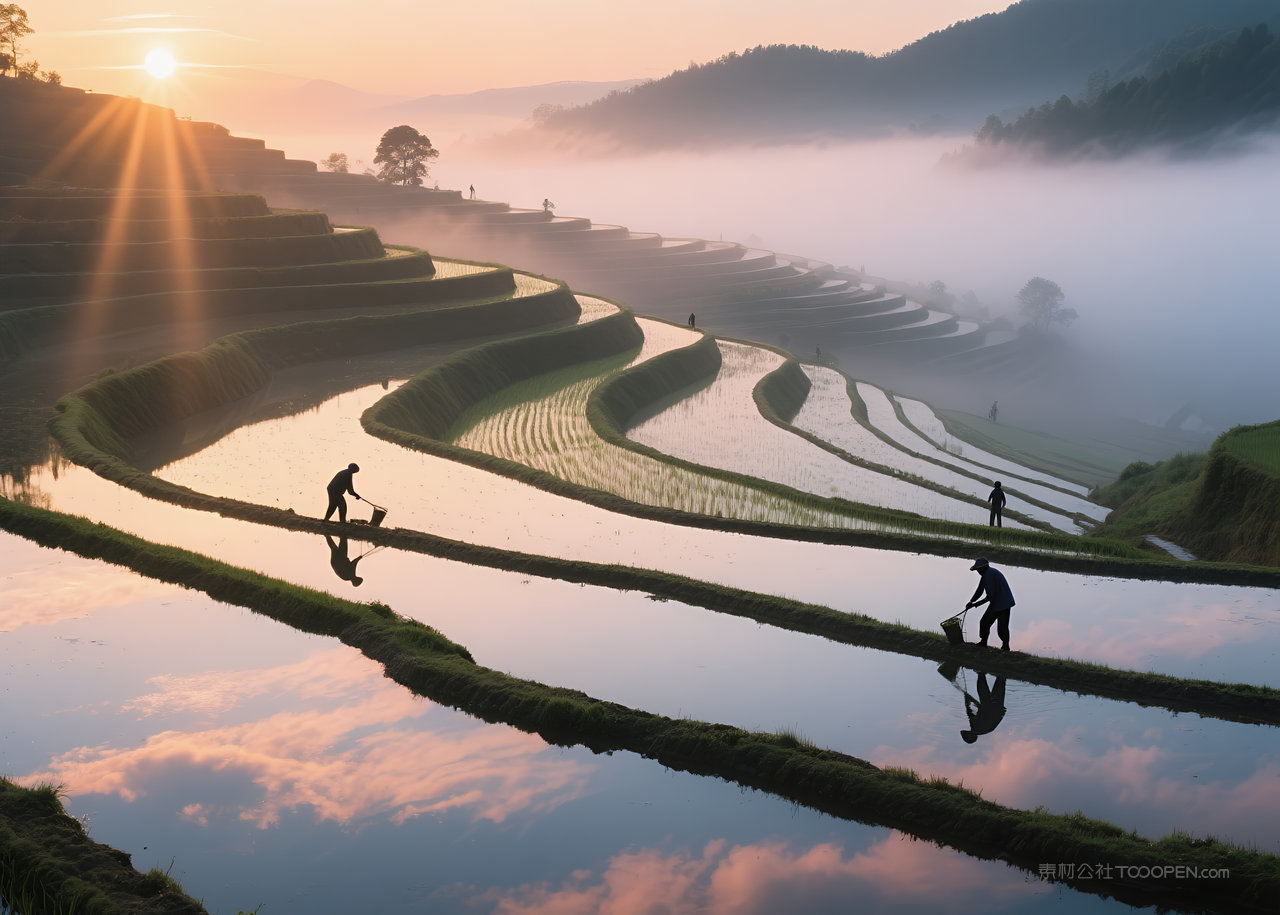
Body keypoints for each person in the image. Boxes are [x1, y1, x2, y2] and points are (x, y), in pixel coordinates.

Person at [966, 557, 1015, 650]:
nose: (978, 572)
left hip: (999, 603)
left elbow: (989, 597)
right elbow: (980, 590)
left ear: (982, 568)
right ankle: (1005, 646)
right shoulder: (989, 573)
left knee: (985, 622)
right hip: (1004, 602)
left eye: (978, 570)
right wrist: (971, 601)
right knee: (1002, 627)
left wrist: (975, 604)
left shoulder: (988, 575)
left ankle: (984, 643)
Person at [960, 672, 1007, 743]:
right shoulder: (975, 728)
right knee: (983, 687)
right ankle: (981, 673)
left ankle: (987, 672)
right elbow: (970, 712)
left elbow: (971, 713)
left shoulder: (985, 730)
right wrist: (967, 700)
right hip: (990, 706)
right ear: (971, 736)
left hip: (997, 707)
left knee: (1000, 680)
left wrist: (968, 701)